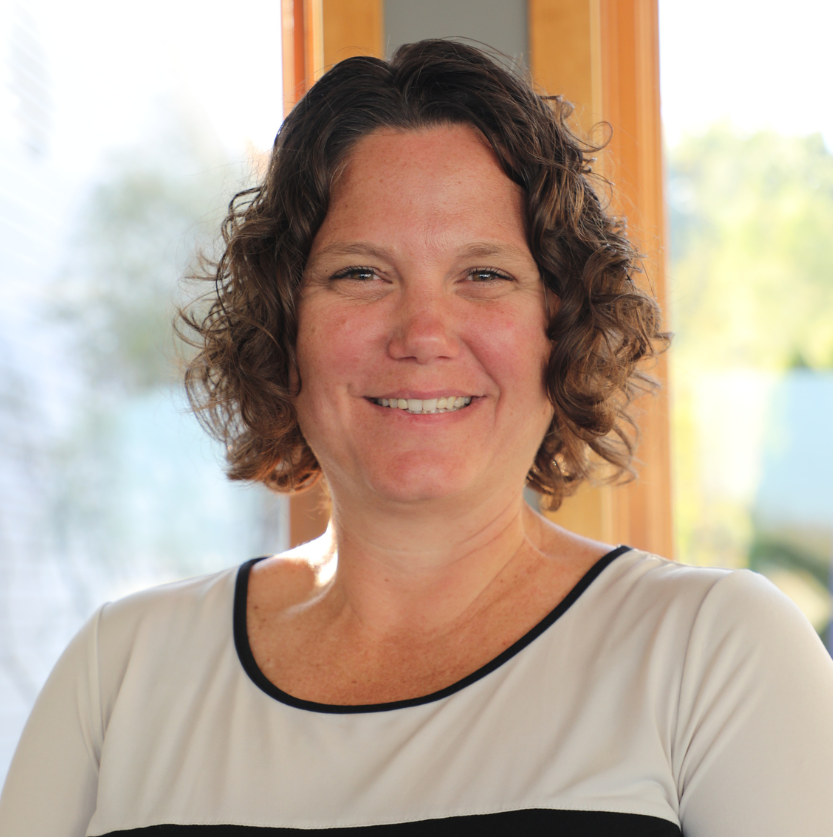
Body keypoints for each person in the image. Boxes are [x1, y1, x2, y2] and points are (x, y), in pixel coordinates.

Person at [2, 39, 832, 837]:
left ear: (562, 325)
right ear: (285, 324)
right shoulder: (121, 669)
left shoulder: (713, 652)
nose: (423, 332)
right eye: (360, 273)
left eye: (485, 274)